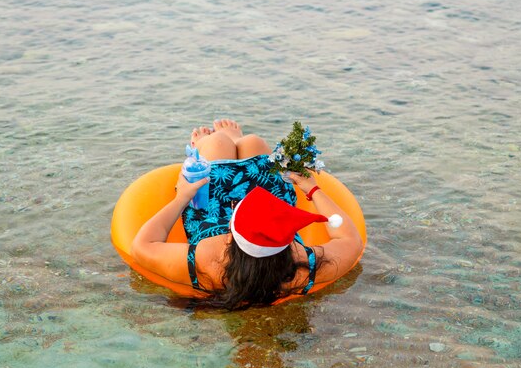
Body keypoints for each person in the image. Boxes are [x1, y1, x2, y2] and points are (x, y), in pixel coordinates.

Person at [132, 119, 363, 309]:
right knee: (253, 142)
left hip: (212, 215)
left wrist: (182, 197)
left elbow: (142, 245)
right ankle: (235, 141)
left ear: (231, 233)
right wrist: (312, 189)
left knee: (217, 143)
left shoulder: (208, 260)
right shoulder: (301, 269)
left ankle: (213, 143)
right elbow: (350, 240)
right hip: (268, 210)